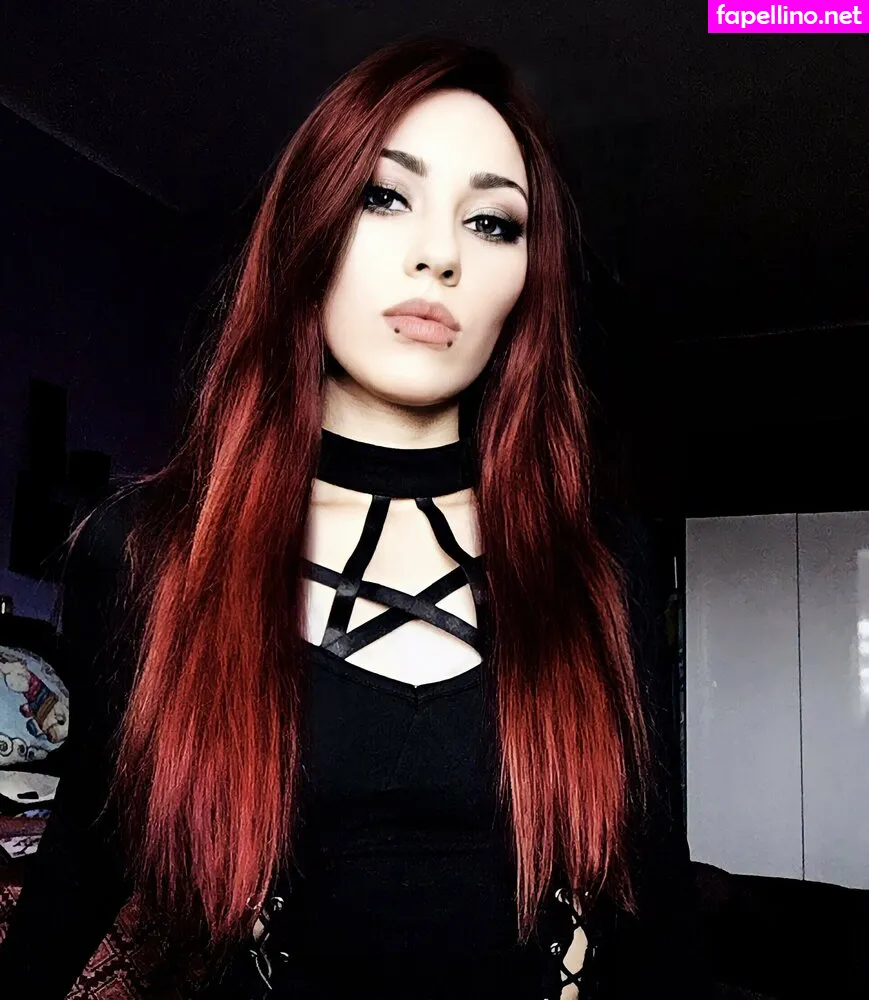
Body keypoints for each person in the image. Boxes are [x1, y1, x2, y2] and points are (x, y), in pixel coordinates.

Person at [0, 35, 698, 999]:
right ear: (310, 228)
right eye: (384, 196)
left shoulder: (601, 561)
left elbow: (655, 899)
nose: (438, 254)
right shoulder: (154, 553)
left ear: (528, 280)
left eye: (491, 222)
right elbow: (86, 855)